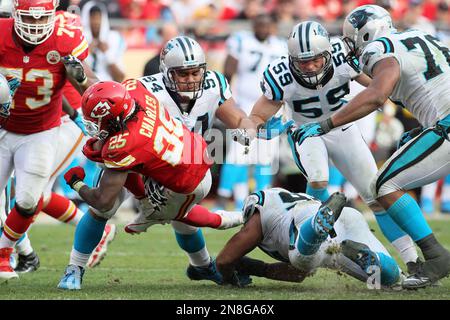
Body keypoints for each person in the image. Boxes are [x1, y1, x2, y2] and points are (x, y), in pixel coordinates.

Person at [233, 21, 421, 273]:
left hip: (342, 128)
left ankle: (412, 259)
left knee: (376, 194)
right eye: (302, 62)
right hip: (305, 132)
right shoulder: (280, 75)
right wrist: (249, 130)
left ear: (328, 54)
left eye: (315, 60)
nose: (309, 67)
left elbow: (379, 85)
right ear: (291, 59)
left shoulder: (344, 58)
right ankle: (322, 239)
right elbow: (257, 117)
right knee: (319, 178)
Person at [291, 5, 450, 288]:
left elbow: (377, 95)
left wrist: (327, 124)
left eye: (352, 38)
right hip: (441, 120)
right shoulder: (420, 35)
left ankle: (435, 257)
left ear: (366, 33)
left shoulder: (381, 47)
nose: (350, 46)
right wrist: (422, 129)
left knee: (383, 185)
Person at [57, 80, 244, 290]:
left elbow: (102, 199)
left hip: (187, 180)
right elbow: (109, 95)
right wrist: (83, 82)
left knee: (181, 218)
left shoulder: (124, 143)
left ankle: (240, 217)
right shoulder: (133, 91)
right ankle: (75, 267)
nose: (93, 124)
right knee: (110, 202)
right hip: (173, 155)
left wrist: (76, 183)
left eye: (97, 121)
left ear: (116, 119)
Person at [134, 35, 257, 284]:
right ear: (167, 73)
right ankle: (76, 265)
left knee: (184, 218)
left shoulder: (213, 84)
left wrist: (247, 127)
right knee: (104, 205)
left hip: (191, 165)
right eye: (183, 74)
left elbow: (236, 116)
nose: (191, 80)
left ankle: (202, 265)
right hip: (153, 163)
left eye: (195, 73)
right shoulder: (147, 89)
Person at [0, 0, 98, 282]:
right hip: (2, 125)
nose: (34, 27)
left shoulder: (66, 36)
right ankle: (8, 255)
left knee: (29, 199)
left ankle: (9, 251)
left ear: (53, 14)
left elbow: (87, 85)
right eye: (28, 20)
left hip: (41, 129)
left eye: (41, 20)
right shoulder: (2, 32)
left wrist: (82, 78)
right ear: (16, 14)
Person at [215, 188, 402, 289]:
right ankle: (377, 261)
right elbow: (297, 275)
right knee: (387, 282)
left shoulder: (259, 213)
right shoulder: (282, 199)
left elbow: (223, 261)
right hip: (346, 218)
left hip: (306, 221)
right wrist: (259, 269)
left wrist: (230, 276)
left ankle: (316, 227)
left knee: (302, 259)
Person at [216, 13, 287, 211]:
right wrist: (224, 102)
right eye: (260, 24)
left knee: (265, 155)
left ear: (273, 26)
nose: (263, 28)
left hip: (271, 106)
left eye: (267, 24)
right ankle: (225, 199)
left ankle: (262, 199)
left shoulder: (280, 45)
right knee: (238, 154)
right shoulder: (240, 40)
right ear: (253, 24)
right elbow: (228, 72)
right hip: (244, 106)